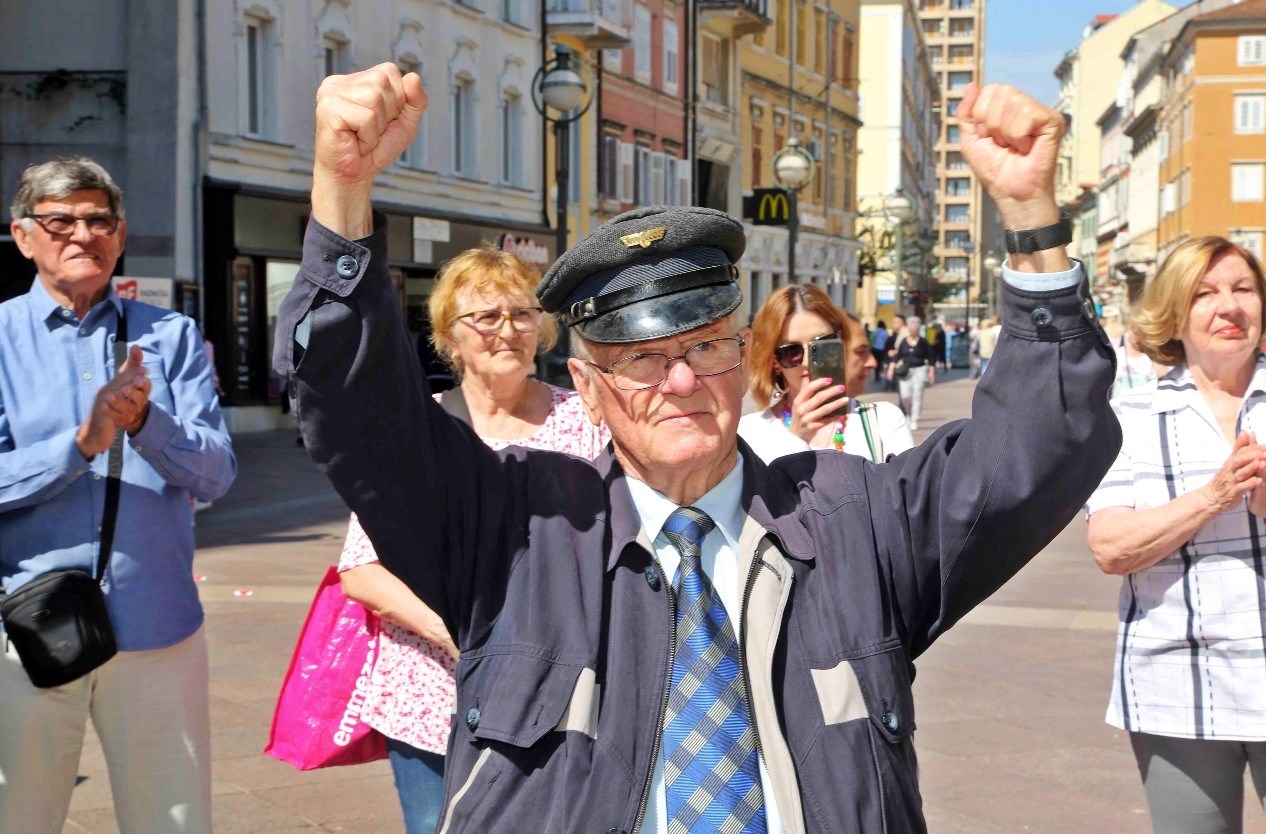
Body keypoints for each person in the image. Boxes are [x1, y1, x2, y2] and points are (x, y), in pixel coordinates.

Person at [275, 66, 1118, 833]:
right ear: (588, 383)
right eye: (642, 358)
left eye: (707, 346)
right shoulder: (516, 529)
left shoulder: (852, 520)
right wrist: (343, 193)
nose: (681, 382)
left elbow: (1041, 445)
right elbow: (359, 419)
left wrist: (1031, 222)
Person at [336, 245, 609, 833]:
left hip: (556, 687)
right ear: (449, 337)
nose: (506, 330)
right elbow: (360, 568)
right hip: (431, 692)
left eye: (522, 314)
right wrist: (462, 636)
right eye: (485, 317)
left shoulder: (586, 423)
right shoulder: (417, 432)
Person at [0, 157, 236, 833]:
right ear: (24, 237)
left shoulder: (171, 336)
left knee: (174, 821)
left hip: (157, 626)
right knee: (20, 817)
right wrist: (80, 446)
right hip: (27, 627)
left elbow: (216, 474)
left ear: (120, 233)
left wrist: (145, 423)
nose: (82, 233)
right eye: (60, 220)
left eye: (98, 219)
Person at [1086, 237, 1266, 834]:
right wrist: (1216, 495)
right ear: (1173, 313)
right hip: (1179, 685)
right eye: (1206, 293)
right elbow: (1111, 548)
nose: (1229, 307)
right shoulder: (1130, 419)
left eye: (1243, 289)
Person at [738, 285, 913, 464]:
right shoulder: (749, 434)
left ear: (839, 340)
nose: (807, 361)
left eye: (821, 344)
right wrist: (795, 440)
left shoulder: (884, 420)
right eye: (791, 351)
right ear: (774, 360)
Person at [887, 314, 935, 430]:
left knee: (917, 394)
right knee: (905, 396)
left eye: (915, 327)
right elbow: (897, 356)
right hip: (905, 371)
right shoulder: (904, 341)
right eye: (911, 327)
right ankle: (908, 414)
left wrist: (931, 372)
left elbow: (931, 358)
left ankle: (914, 418)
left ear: (918, 328)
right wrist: (890, 369)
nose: (912, 329)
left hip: (920, 370)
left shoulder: (923, 342)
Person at [883, 313, 906, 391]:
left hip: (905, 368)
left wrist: (894, 352)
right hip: (902, 367)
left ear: (900, 323)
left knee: (905, 396)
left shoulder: (905, 334)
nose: (892, 325)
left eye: (894, 322)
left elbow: (904, 350)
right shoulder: (900, 334)